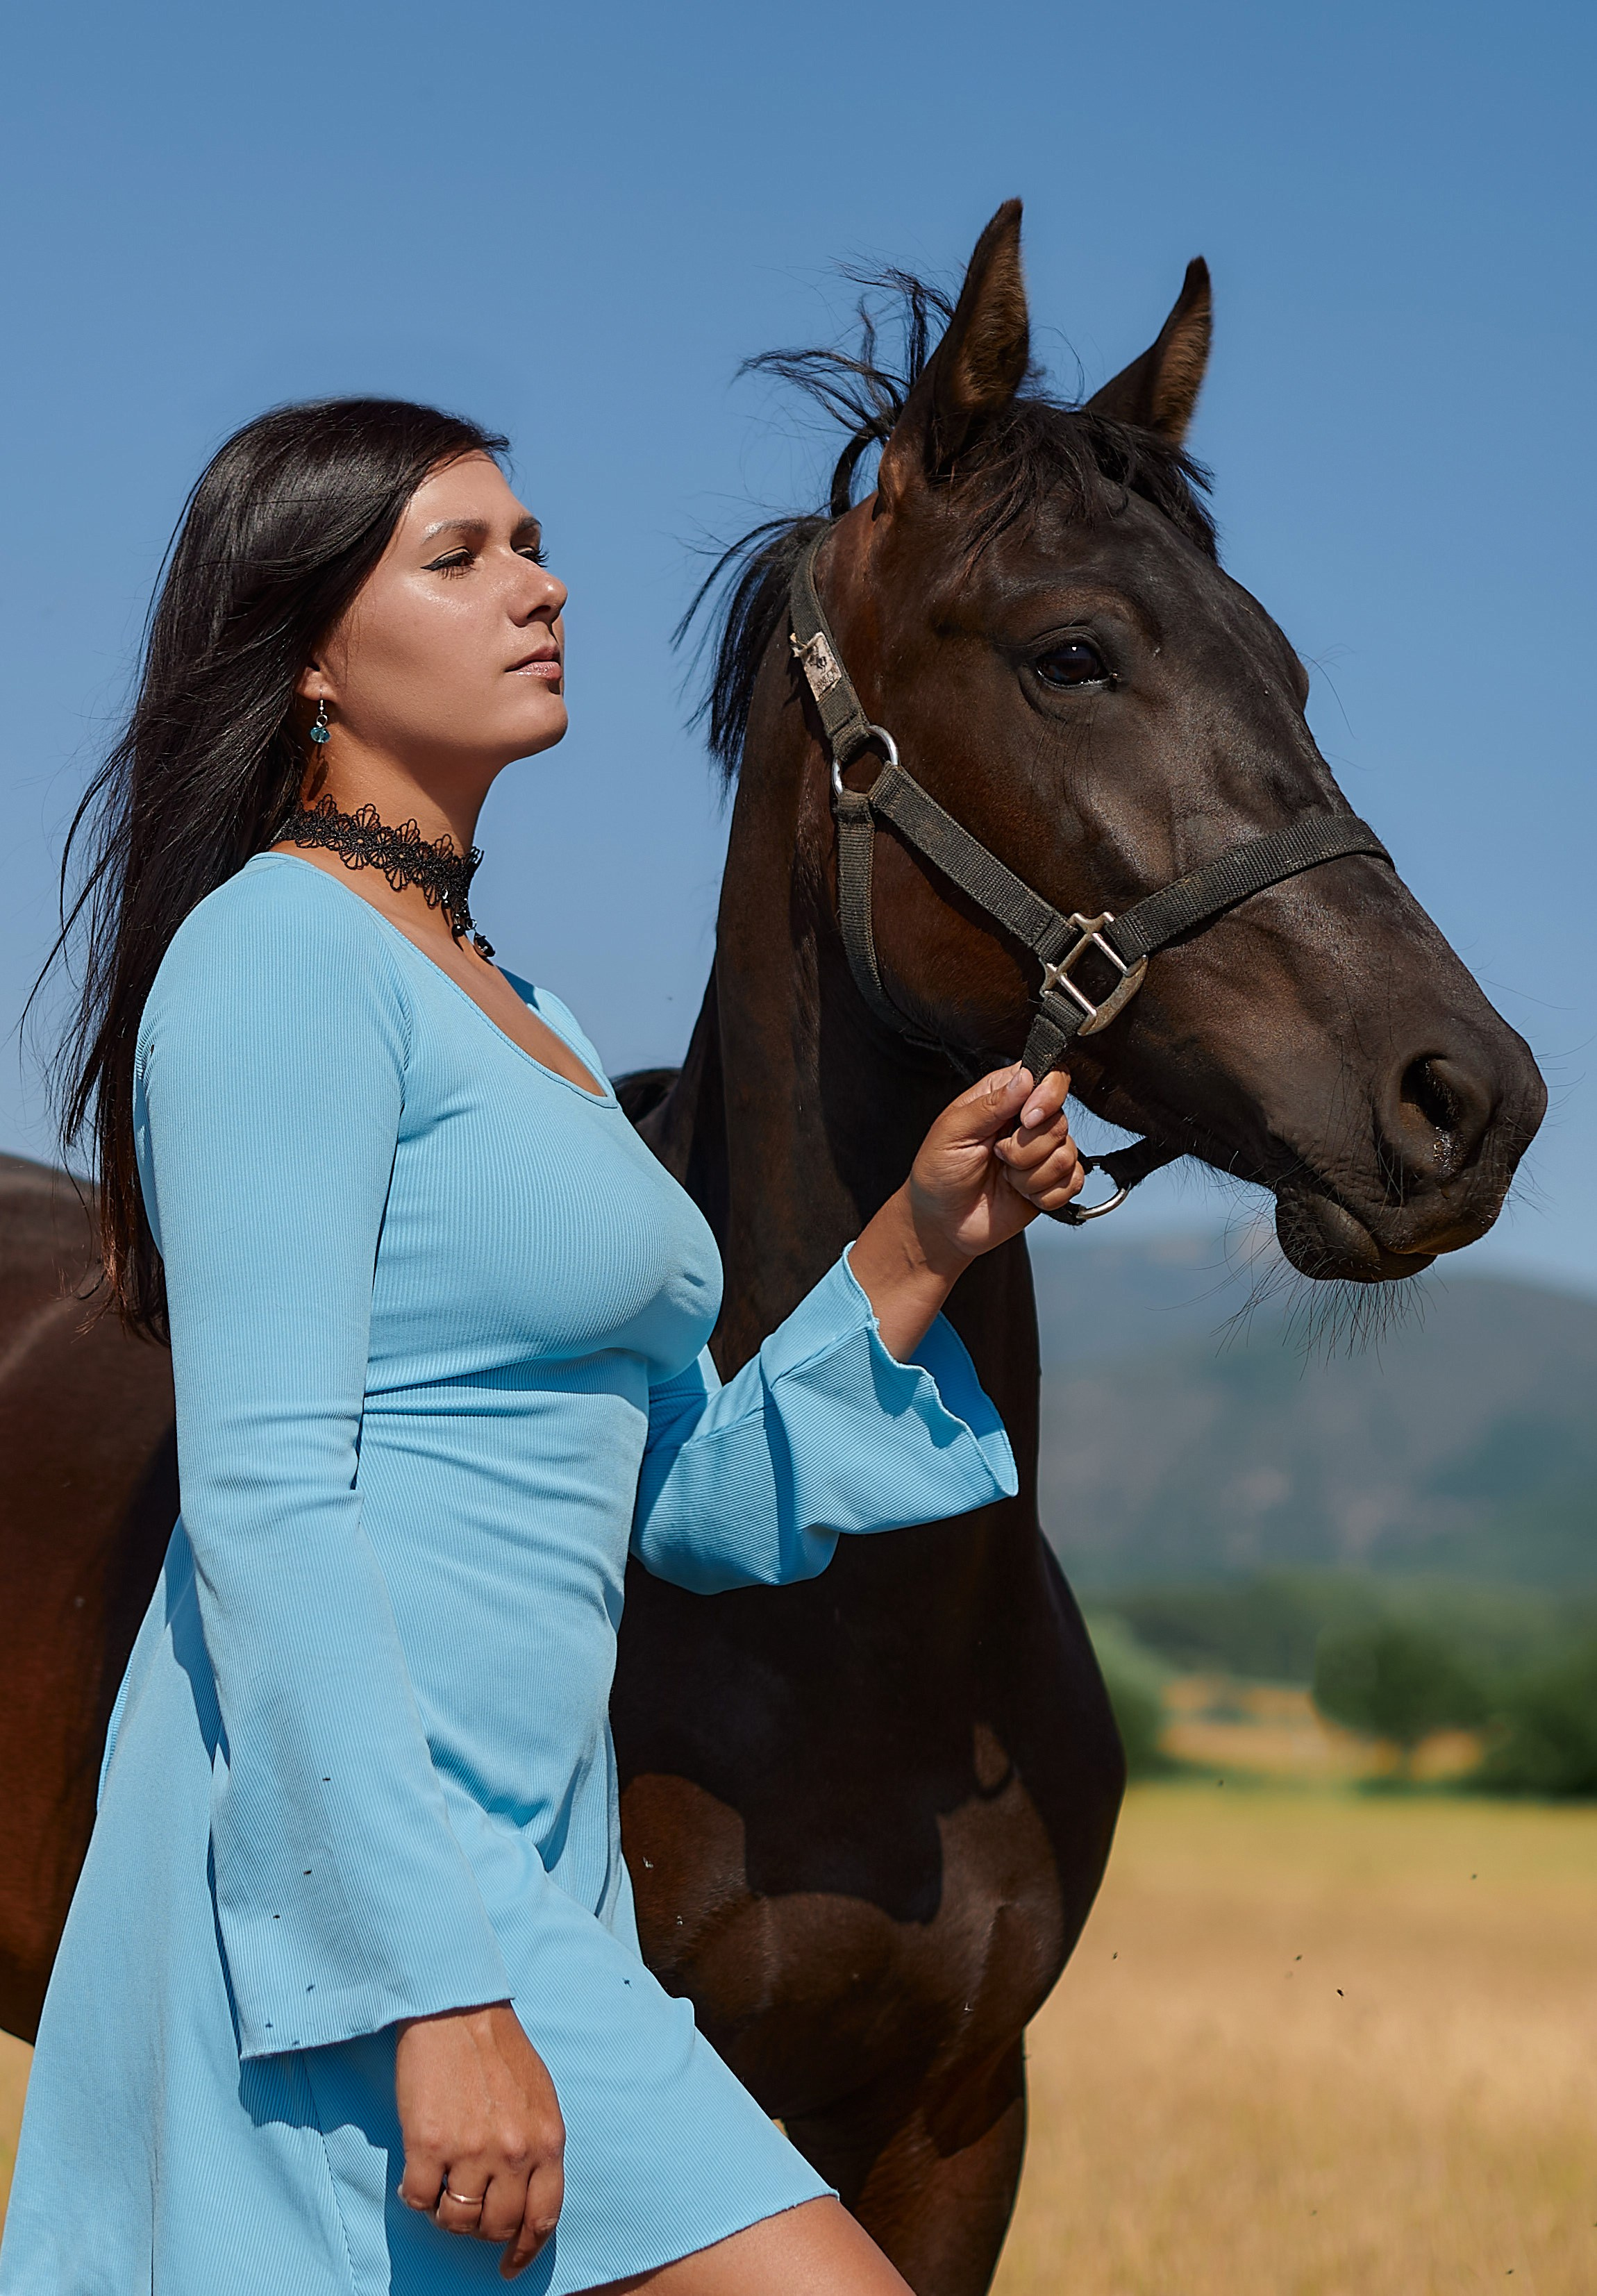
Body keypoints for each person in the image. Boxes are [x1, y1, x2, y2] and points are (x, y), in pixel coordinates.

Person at [1, 399, 1085, 2296]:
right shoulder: (276, 963)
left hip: (534, 1881)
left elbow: (677, 1497)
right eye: (462, 554)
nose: (541, 582)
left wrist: (916, 1239)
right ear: (313, 653)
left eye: (531, 538)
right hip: (357, 1892)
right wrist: (433, 1989)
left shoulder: (534, 1022)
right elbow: (262, 1505)